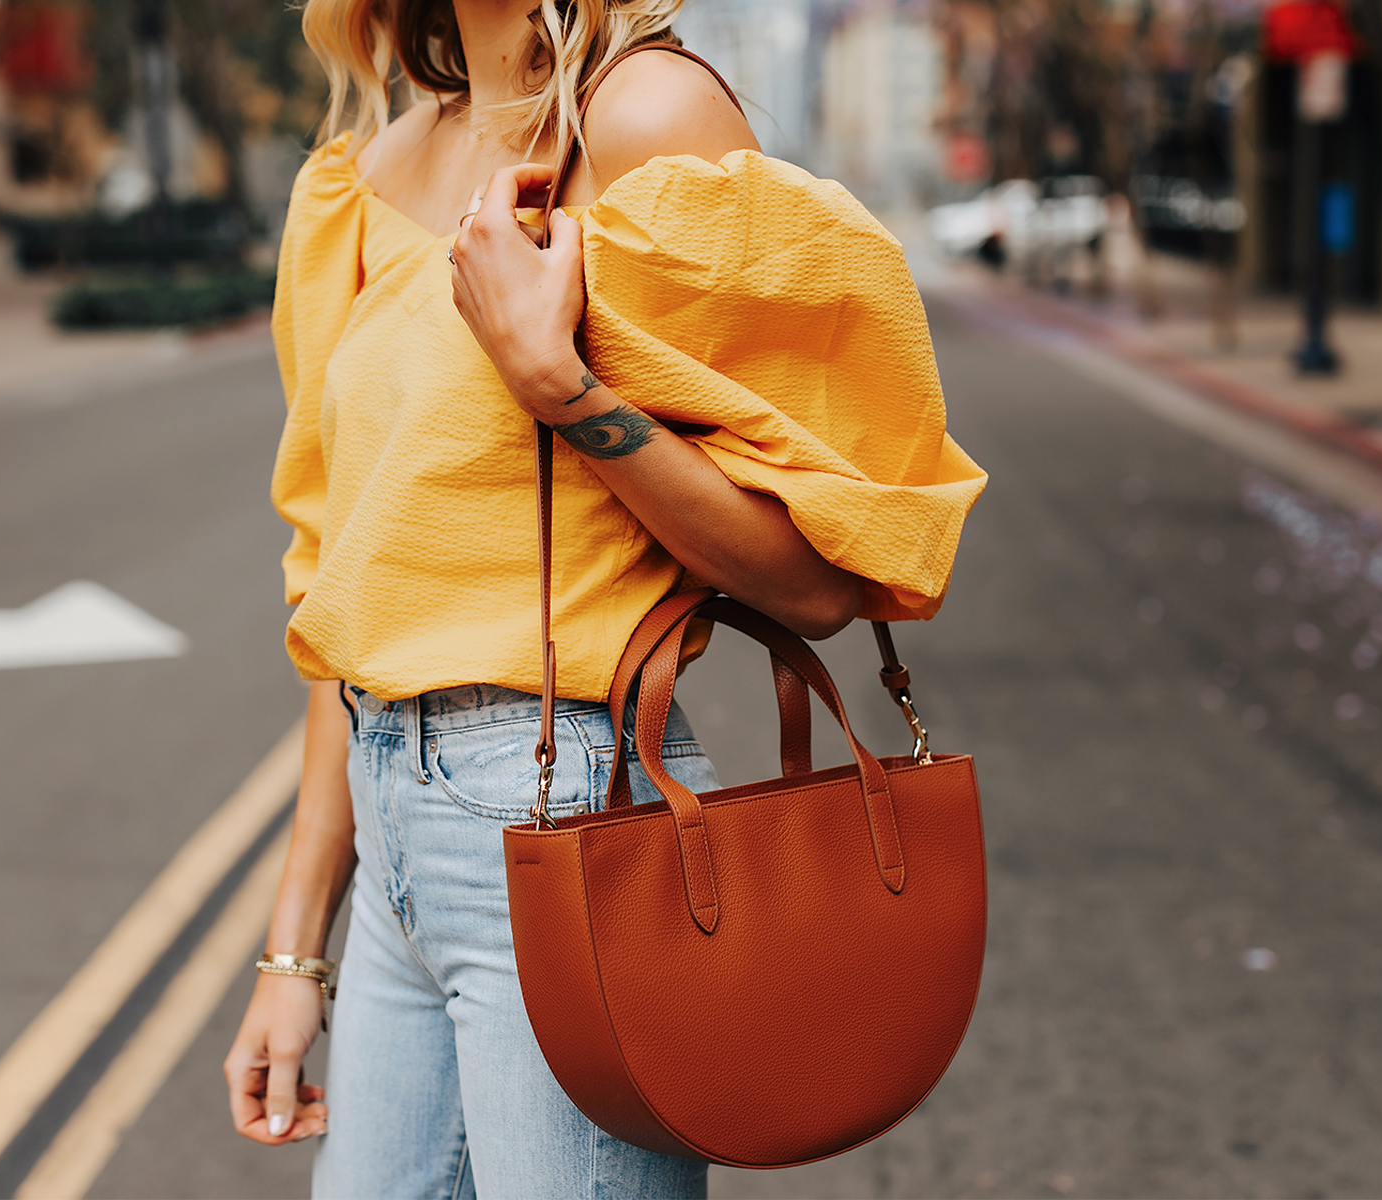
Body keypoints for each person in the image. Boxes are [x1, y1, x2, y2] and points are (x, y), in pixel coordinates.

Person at [223, 0, 988, 1195]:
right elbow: (338, 592)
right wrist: (291, 948)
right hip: (393, 852)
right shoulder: (370, 172)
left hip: (564, 803)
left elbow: (817, 584)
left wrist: (557, 385)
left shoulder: (641, 117)